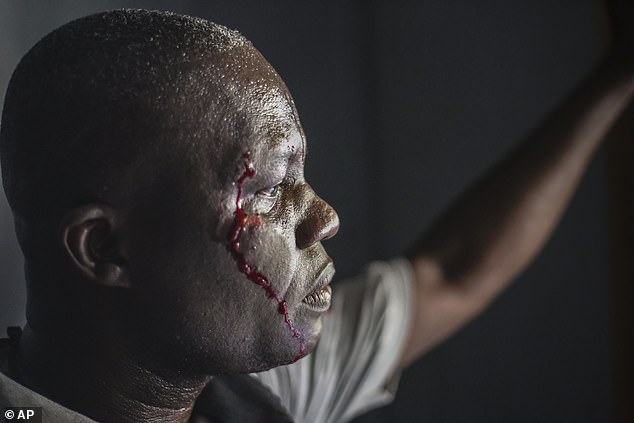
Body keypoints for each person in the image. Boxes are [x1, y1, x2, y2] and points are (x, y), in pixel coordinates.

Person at [0, 7, 632, 423]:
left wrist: (617, 75)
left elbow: (455, 272)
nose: (324, 218)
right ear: (105, 248)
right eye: (272, 189)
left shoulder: (256, 395)